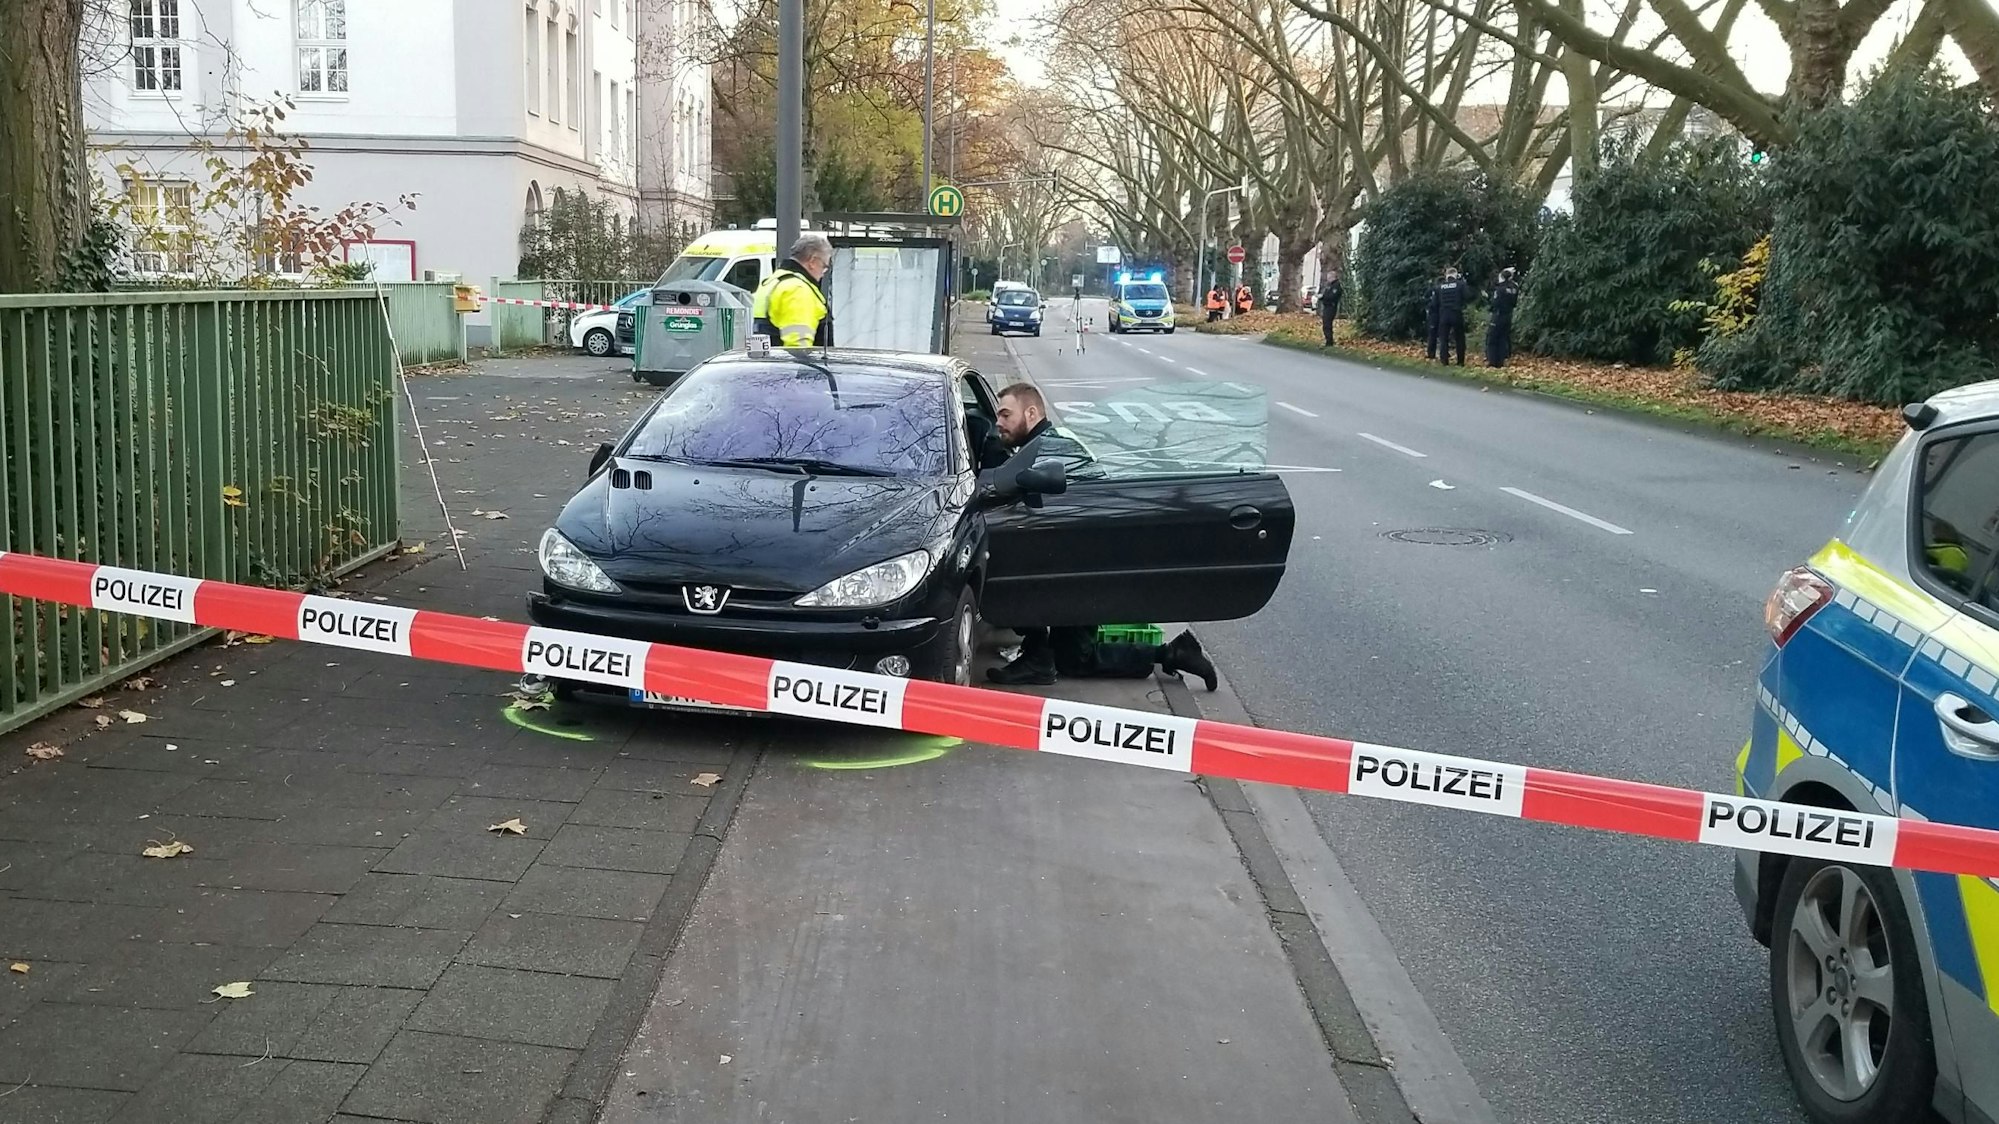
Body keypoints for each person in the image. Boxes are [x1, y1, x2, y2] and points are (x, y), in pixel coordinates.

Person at [983, 383, 1219, 690]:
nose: (998, 422)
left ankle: (1037, 658)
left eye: (1005, 414)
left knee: (1013, 558)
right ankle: (1172, 653)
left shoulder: (1052, 447)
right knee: (1074, 660)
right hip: (1084, 559)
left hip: (1083, 568)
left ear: (1031, 413)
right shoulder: (1048, 442)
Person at [749, 233, 834, 347]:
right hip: (795, 364)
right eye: (824, 266)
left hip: (768, 362)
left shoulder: (771, 282)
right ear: (812, 261)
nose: (823, 273)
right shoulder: (798, 290)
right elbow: (798, 348)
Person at [1434, 266, 1469, 366]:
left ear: (1446, 275)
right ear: (1456, 275)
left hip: (1444, 314)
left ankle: (1444, 361)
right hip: (1456, 313)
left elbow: (1435, 303)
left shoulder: (1440, 287)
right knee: (1460, 338)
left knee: (1444, 338)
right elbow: (1467, 296)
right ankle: (1460, 362)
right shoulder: (1460, 285)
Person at [1485, 267, 1519, 368]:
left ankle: (1492, 361)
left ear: (1502, 277)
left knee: (1492, 338)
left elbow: (1495, 303)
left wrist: (1488, 300)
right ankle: (1501, 361)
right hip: (1508, 315)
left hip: (1498, 315)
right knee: (1503, 338)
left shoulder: (1499, 289)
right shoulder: (1514, 288)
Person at [1317, 271, 1343, 346]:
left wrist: (1323, 297)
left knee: (1327, 324)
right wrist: (1321, 297)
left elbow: (1332, 297)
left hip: (1331, 307)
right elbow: (1326, 294)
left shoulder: (1336, 286)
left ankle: (1329, 341)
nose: (1328, 279)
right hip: (1327, 306)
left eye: (1329, 278)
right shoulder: (1330, 285)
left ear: (1333, 277)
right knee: (1326, 324)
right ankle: (1328, 340)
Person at [1424, 275, 1442, 359]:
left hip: (1433, 314)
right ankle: (1436, 353)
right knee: (1439, 334)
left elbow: (1426, 300)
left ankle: (1431, 353)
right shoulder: (1437, 291)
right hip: (1438, 314)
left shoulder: (1431, 290)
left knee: (1432, 334)